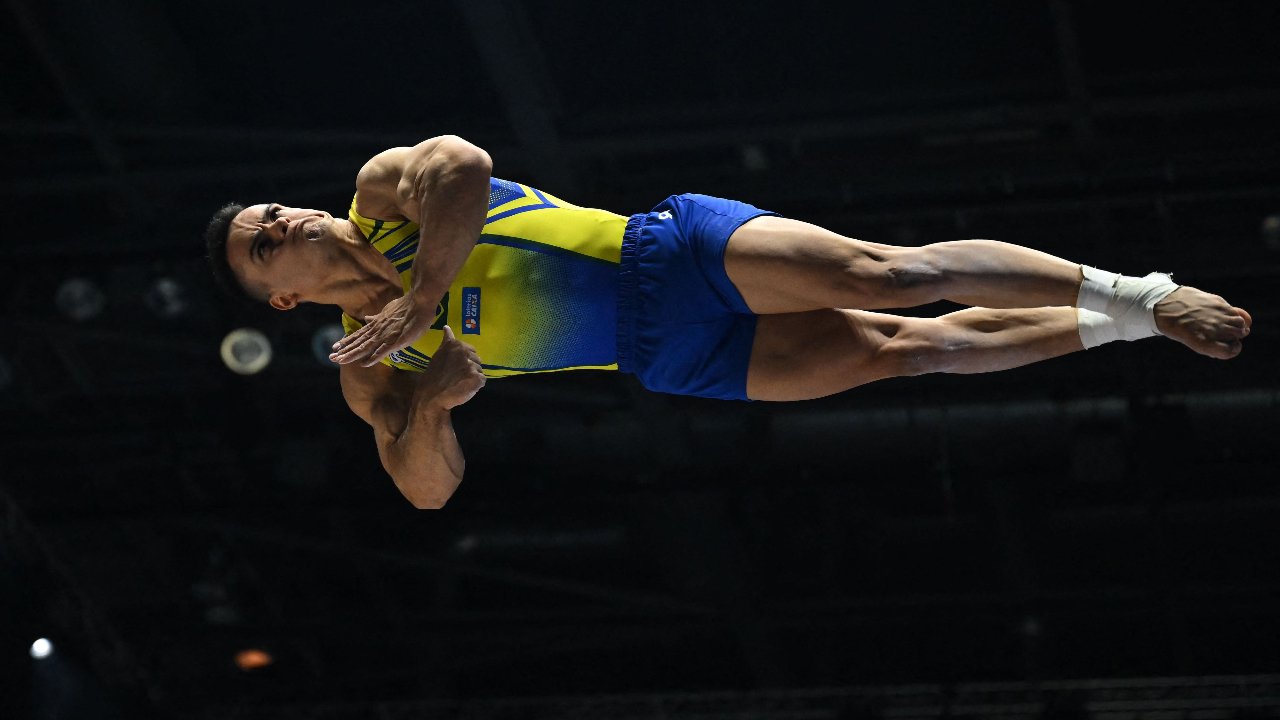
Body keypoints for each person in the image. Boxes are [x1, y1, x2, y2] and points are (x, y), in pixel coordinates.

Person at [204, 135, 1251, 509]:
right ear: (280, 299)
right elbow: (424, 491)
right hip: (660, 351)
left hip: (665, 254)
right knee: (912, 351)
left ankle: (1132, 290)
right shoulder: (368, 373)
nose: (279, 221)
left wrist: (425, 292)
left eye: (267, 212)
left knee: (889, 275)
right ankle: (1130, 331)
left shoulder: (379, 198)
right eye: (263, 246)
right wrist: (429, 404)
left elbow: (464, 167)